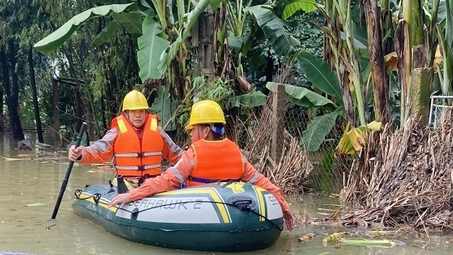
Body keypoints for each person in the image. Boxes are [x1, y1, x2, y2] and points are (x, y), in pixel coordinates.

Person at [109, 99, 295, 230]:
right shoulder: (238, 155)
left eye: (193, 129)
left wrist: (132, 195)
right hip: (239, 219)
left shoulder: (193, 155)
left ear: (205, 131)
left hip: (202, 218)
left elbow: (165, 181)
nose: (190, 134)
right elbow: (265, 185)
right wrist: (284, 208)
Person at [68, 90, 183, 184]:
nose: (137, 115)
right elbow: (98, 150)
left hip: (153, 185)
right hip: (126, 185)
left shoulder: (158, 131)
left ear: (146, 112)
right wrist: (80, 154)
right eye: (133, 111)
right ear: (126, 113)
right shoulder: (116, 132)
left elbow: (176, 154)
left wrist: (193, 158)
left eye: (141, 111)